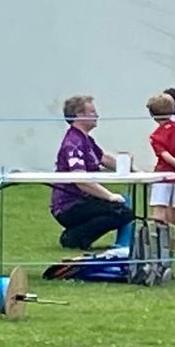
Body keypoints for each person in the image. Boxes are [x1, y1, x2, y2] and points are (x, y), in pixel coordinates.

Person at [50, 95, 134, 249]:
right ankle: (75, 237)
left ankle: (78, 234)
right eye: (92, 112)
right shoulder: (73, 143)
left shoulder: (86, 139)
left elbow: (103, 158)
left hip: (84, 201)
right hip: (70, 205)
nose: (96, 115)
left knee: (124, 208)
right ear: (79, 115)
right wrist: (110, 196)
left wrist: (131, 168)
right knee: (120, 211)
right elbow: (81, 180)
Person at [146, 92, 175, 262]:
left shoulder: (155, 136)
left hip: (163, 176)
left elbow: (165, 156)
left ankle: (162, 250)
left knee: (159, 214)